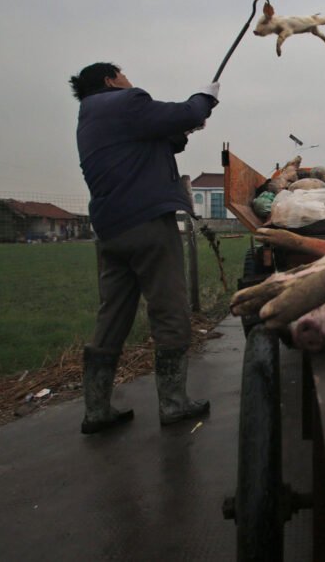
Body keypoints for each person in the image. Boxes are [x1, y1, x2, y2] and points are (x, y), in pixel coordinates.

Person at [70, 62, 220, 434]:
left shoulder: (89, 117)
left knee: (113, 314)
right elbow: (183, 112)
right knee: (170, 308)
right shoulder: (126, 102)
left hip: (110, 230)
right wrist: (205, 99)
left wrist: (184, 128)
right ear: (110, 80)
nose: (129, 80)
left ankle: (97, 409)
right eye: (123, 75)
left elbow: (160, 137)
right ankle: (173, 402)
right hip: (148, 223)